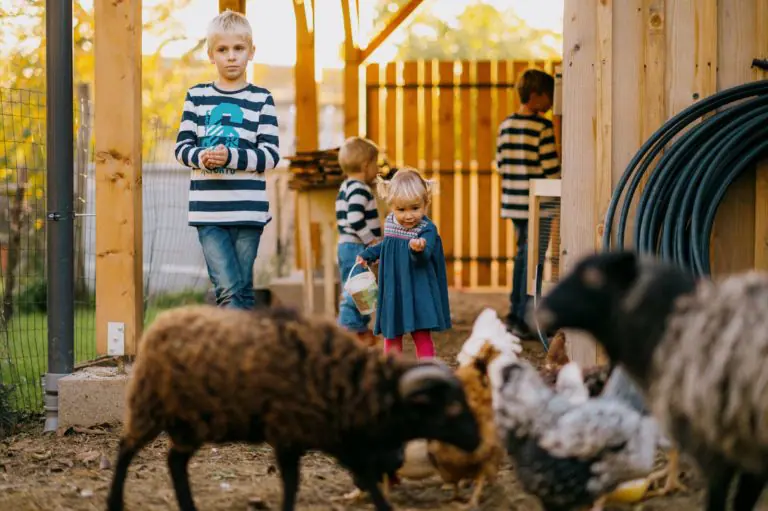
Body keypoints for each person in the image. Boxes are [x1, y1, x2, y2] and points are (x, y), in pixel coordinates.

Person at [174, 10, 280, 310]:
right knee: (230, 291)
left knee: (243, 291)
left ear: (251, 52)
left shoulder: (262, 100)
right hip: (209, 215)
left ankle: (240, 353)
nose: (231, 57)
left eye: (238, 49)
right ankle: (237, 354)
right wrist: (201, 157)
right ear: (211, 55)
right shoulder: (196, 97)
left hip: (248, 212)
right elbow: (182, 148)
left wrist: (231, 155)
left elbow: (270, 156)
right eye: (222, 50)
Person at [356, 168, 451, 358]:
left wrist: (418, 249)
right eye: (401, 209)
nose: (408, 216)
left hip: (418, 292)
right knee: (392, 336)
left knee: (421, 334)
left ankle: (427, 370)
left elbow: (425, 256)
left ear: (426, 203)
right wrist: (368, 254)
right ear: (392, 207)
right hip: (395, 291)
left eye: (415, 208)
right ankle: (392, 371)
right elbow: (387, 246)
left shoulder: (427, 230)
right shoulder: (391, 223)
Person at [496, 68, 560, 338]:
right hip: (536, 205)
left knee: (522, 256)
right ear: (535, 96)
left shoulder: (506, 125)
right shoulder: (542, 128)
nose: (551, 104)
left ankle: (514, 313)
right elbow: (550, 170)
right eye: (549, 97)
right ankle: (523, 318)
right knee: (532, 260)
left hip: (513, 202)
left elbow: (500, 164)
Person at [335, 137, 382, 347]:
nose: (377, 169)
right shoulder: (359, 189)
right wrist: (371, 240)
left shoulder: (346, 186)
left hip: (350, 246)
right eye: (376, 164)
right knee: (356, 290)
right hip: (356, 246)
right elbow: (355, 219)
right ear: (366, 165)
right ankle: (347, 330)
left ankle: (360, 328)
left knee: (365, 290)